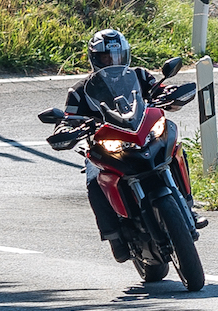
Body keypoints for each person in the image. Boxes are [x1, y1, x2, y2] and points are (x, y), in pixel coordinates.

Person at [63, 28, 204, 258]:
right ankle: (114, 235)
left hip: (143, 134)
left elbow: (159, 90)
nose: (112, 62)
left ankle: (188, 204)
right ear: (95, 59)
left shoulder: (139, 75)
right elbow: (68, 120)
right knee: (93, 180)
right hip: (106, 146)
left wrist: (170, 94)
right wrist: (66, 129)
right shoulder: (80, 92)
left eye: (117, 56)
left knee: (175, 148)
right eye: (106, 57)